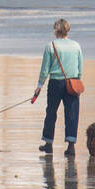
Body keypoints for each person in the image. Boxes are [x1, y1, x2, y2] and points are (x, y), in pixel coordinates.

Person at [32, 18, 84, 157]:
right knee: (72, 113)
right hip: (72, 82)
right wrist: (78, 79)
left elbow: (45, 69)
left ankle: (48, 143)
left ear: (56, 30)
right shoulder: (76, 45)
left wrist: (39, 85)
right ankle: (71, 145)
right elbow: (80, 67)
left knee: (51, 112)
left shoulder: (51, 46)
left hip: (55, 82)